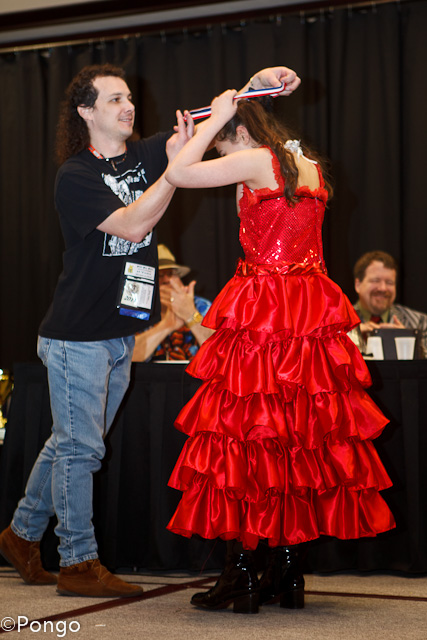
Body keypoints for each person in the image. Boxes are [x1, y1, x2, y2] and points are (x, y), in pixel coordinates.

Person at [0, 63, 301, 598]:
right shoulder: (76, 176)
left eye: (129, 97)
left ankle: (21, 536)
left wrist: (255, 86)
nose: (129, 106)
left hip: (120, 332)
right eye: (114, 100)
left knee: (70, 443)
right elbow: (135, 223)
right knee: (81, 450)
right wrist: (176, 167)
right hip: (77, 334)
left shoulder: (142, 154)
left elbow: (211, 115)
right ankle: (77, 561)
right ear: (86, 112)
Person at [164, 90, 396, 613]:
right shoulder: (304, 164)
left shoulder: (255, 159)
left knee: (246, 438)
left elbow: (178, 174)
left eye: (223, 146)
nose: (222, 157)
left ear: (241, 132)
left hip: (265, 310)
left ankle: (244, 573)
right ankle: (287, 571)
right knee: (295, 441)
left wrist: (204, 128)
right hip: (307, 311)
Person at [132, 244, 213, 362]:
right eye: (159, 275)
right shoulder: (136, 311)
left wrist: (190, 315)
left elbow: (220, 352)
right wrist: (166, 326)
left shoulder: (201, 306)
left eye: (171, 274)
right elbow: (127, 357)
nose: (166, 280)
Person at [351, 250, 427, 358]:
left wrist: (411, 341)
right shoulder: (338, 324)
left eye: (389, 282)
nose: (383, 288)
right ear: (358, 285)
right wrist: (352, 336)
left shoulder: (421, 323)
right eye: (375, 280)